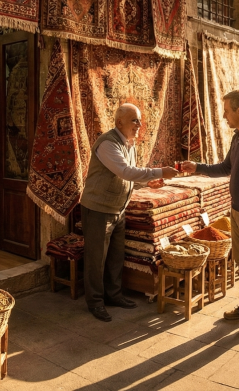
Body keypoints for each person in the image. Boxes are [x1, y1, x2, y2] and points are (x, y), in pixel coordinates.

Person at [180, 90, 239, 335]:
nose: (224, 116)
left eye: (227, 111)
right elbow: (225, 167)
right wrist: (197, 167)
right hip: (236, 211)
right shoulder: (238, 137)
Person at [81, 103, 178, 322]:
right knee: (97, 259)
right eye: (134, 120)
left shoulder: (129, 144)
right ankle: (95, 303)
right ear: (119, 122)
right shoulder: (108, 143)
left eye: (139, 120)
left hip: (118, 208)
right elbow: (125, 171)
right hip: (98, 209)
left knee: (115, 257)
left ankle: (114, 295)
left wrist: (147, 184)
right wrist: (161, 171)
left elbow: (127, 177)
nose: (139, 125)